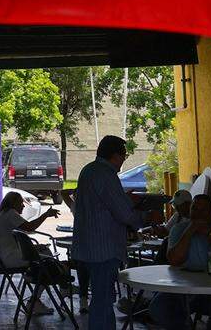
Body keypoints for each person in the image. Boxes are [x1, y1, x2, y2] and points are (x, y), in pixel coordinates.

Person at [70, 135, 154, 330]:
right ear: (115, 155)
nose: (124, 161)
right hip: (103, 249)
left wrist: (123, 200)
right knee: (102, 301)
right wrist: (147, 217)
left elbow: (101, 204)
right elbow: (124, 214)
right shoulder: (106, 175)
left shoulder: (89, 170)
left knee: (102, 300)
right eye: (124, 156)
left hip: (89, 246)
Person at [148, 194, 211, 330]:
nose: (198, 214)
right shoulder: (178, 229)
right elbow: (175, 260)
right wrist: (190, 231)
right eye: (194, 208)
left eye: (203, 210)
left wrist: (210, 237)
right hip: (181, 289)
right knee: (158, 307)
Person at [0, 191, 62, 315]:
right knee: (47, 262)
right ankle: (38, 297)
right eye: (21, 203)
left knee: (44, 253)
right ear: (13, 203)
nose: (23, 206)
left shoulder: (3, 214)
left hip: (4, 257)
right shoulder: (10, 214)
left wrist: (34, 248)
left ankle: (45, 290)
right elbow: (30, 227)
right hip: (11, 259)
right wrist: (45, 215)